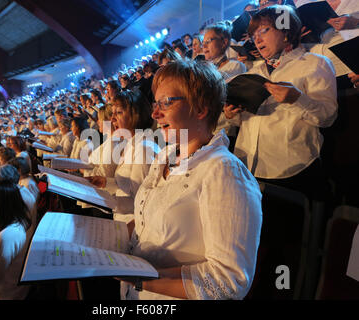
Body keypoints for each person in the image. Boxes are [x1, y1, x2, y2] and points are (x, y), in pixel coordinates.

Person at [119, 59, 262, 300]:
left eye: (166, 102)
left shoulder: (224, 172)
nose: (155, 113)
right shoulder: (165, 156)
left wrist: (138, 278)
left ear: (200, 109)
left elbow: (229, 280)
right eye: (156, 103)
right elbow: (147, 222)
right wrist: (106, 241)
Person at [224, 5, 338, 200]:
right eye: (253, 35)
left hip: (291, 169)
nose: (257, 40)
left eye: (264, 31)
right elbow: (241, 122)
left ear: (286, 31)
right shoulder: (253, 73)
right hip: (246, 169)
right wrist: (231, 115)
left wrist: (297, 99)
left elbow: (328, 117)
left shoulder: (314, 63)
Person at [86, 90, 158, 223]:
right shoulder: (132, 143)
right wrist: (107, 183)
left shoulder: (142, 148)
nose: (112, 119)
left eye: (118, 113)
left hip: (133, 227)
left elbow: (142, 202)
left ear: (136, 115)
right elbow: (129, 188)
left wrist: (103, 201)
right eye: (112, 113)